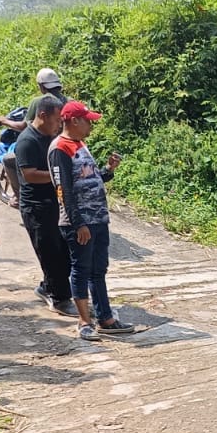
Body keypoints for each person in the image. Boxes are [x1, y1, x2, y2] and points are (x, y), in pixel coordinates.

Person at [50, 101, 135, 340]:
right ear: (74, 121)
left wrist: (108, 169)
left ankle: (105, 318)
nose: (91, 125)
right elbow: (63, 190)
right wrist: (79, 224)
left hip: (97, 219)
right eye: (88, 120)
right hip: (80, 223)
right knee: (81, 269)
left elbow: (91, 179)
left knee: (99, 270)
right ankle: (84, 321)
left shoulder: (80, 145)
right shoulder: (60, 149)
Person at [12, 96, 76, 316]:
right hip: (36, 207)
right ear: (42, 115)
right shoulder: (27, 141)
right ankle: (59, 299)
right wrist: (59, 175)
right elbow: (30, 175)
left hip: (53, 203)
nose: (59, 125)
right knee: (50, 254)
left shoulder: (52, 136)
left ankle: (47, 286)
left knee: (64, 251)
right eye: (57, 119)